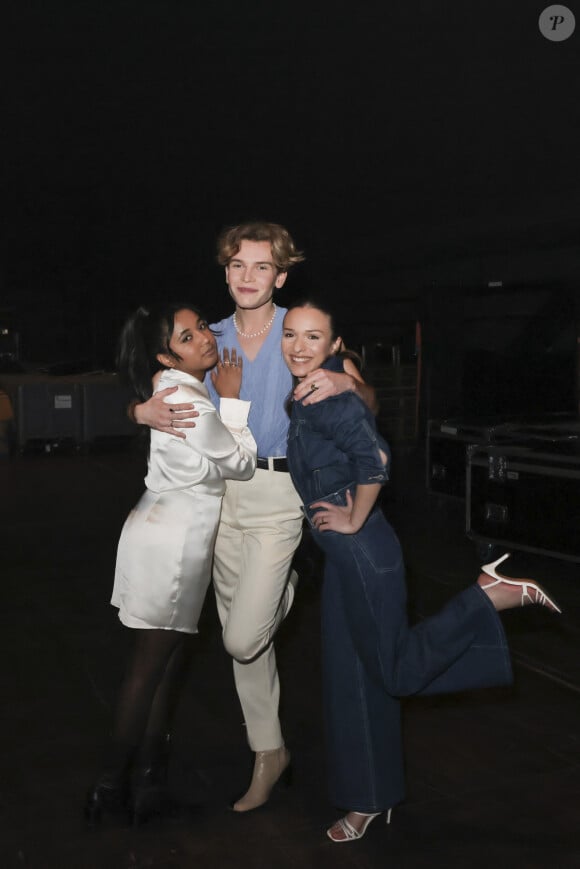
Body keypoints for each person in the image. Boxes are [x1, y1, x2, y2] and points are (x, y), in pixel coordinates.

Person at [281, 299, 561, 843]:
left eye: (314, 338)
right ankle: (369, 800)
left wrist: (353, 516)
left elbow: (377, 462)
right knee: (352, 679)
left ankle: (487, 596)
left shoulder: (331, 396)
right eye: (291, 335)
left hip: (362, 549)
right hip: (340, 556)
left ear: (336, 347)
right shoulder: (316, 387)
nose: (299, 346)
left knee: (394, 673)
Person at [132, 221, 377, 811]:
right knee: (246, 645)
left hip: (279, 492)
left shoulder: (302, 327)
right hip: (217, 497)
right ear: (224, 271)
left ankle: (285, 586)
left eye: (261, 267)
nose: (248, 277)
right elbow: (157, 381)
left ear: (281, 274)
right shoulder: (206, 338)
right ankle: (268, 750)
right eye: (237, 265)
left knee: (244, 632)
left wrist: (345, 384)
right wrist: (139, 410)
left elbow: (368, 400)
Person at [85, 302, 256, 825]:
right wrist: (232, 402)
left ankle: (148, 783)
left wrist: (138, 407)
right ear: (167, 354)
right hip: (174, 544)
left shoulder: (168, 382)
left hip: (158, 530)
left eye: (202, 325)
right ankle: (109, 790)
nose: (205, 337)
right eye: (188, 336)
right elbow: (242, 464)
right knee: (148, 670)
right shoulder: (192, 401)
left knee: (163, 667)